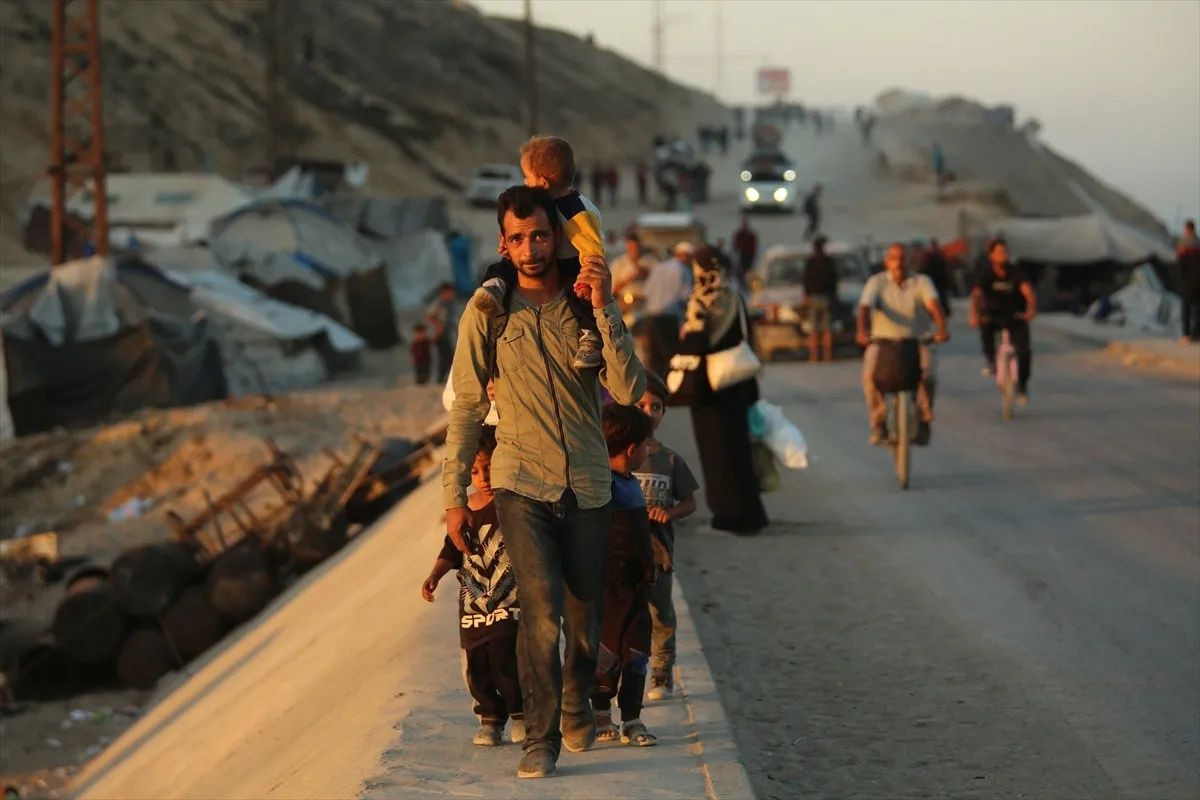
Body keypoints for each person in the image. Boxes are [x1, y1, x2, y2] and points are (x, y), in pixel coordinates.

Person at [443, 185, 645, 779]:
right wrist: (454, 496)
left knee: (583, 614)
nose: (530, 248)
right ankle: (542, 736)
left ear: (555, 237)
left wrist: (606, 304)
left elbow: (631, 391)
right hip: (518, 481)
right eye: (517, 237)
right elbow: (465, 411)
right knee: (538, 612)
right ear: (502, 243)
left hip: (586, 483)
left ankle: (578, 700)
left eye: (539, 236)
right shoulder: (488, 311)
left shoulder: (583, 305)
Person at [421, 427, 523, 746]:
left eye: (490, 468)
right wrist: (435, 575)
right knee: (477, 662)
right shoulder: (463, 511)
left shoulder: (513, 504)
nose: (483, 477)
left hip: (510, 598)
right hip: (474, 602)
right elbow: (451, 549)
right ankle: (490, 718)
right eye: (475, 471)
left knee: (508, 657)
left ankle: (520, 714)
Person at [471, 136, 604, 370]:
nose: (524, 182)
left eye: (527, 177)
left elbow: (592, 246)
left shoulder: (576, 211)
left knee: (581, 304)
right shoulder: (552, 203)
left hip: (573, 265)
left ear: (542, 183)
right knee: (504, 265)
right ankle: (493, 287)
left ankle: (591, 341)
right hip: (552, 259)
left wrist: (588, 276)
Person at [680, 244, 768, 534]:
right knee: (739, 449)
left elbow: (698, 342)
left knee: (716, 453)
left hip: (711, 389)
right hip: (738, 382)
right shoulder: (734, 294)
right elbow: (748, 335)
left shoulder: (702, 299)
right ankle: (750, 512)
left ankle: (727, 515)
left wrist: (686, 334)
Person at [592, 404, 659, 747]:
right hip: (609, 586)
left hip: (636, 586)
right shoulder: (605, 485)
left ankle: (632, 716)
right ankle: (601, 713)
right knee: (606, 651)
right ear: (632, 449)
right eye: (648, 443)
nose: (651, 449)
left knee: (637, 650)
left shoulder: (631, 483)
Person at [632, 372, 697, 701]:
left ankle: (661, 673)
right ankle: (626, 673)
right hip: (624, 552)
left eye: (655, 406)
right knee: (628, 613)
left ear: (663, 413)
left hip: (659, 551)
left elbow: (689, 501)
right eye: (640, 404)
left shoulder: (670, 459)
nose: (647, 411)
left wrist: (667, 513)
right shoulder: (617, 456)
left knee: (660, 613)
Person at [856, 242, 949, 446]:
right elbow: (864, 308)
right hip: (883, 341)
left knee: (929, 374)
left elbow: (933, 305)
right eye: (894, 258)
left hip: (918, 340)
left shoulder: (922, 281)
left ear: (911, 261)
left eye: (903, 258)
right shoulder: (876, 282)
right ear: (887, 262)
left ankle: (924, 419)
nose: (899, 263)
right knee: (869, 377)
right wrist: (862, 331)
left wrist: (942, 329)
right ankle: (879, 421)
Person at [969, 239, 1036, 403]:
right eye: (998, 252)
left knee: (1024, 352)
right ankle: (991, 361)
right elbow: (977, 294)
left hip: (1015, 315)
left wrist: (1031, 310)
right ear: (991, 255)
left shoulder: (1016, 272)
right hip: (993, 315)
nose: (1002, 255)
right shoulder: (986, 273)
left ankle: (1022, 386)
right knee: (985, 328)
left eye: (1005, 252)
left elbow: (1027, 291)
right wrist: (974, 314)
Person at [637, 241, 695, 376]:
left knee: (654, 359)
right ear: (685, 256)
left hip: (651, 317)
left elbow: (646, 292)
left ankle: (657, 390)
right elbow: (686, 296)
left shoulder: (658, 268)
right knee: (670, 357)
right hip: (670, 319)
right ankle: (670, 390)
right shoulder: (683, 270)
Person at [803, 235, 838, 362]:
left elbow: (805, 280)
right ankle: (827, 356)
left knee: (813, 329)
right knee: (827, 329)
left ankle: (813, 356)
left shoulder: (810, 262)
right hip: (826, 297)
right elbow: (834, 280)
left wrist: (806, 296)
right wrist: (834, 296)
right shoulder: (828, 261)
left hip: (813, 298)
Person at [427, 282, 459, 383]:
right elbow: (430, 316)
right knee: (444, 357)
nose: (452, 294)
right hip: (440, 334)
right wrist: (438, 325)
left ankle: (448, 377)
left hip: (450, 332)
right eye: (449, 292)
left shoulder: (452, 303)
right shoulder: (439, 303)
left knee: (450, 355)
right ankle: (440, 378)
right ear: (444, 293)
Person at [611, 234, 655, 299]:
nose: (634, 250)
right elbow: (613, 287)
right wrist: (628, 279)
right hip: (624, 298)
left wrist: (643, 272)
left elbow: (656, 281)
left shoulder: (650, 261)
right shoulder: (619, 263)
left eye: (636, 247)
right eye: (631, 247)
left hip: (643, 298)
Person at [1177, 219, 1200, 342]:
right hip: (1198, 281)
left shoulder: (1183, 245)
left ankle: (1186, 335)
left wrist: (1180, 281)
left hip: (1188, 282)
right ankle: (1196, 334)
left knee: (1186, 308)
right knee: (1198, 309)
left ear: (1187, 229)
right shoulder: (1198, 242)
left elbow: (1181, 266)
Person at [920, 238, 953, 318]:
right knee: (933, 298)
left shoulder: (939, 256)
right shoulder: (929, 256)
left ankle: (943, 312)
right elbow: (925, 268)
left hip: (940, 281)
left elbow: (945, 268)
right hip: (933, 281)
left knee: (941, 298)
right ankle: (935, 313)